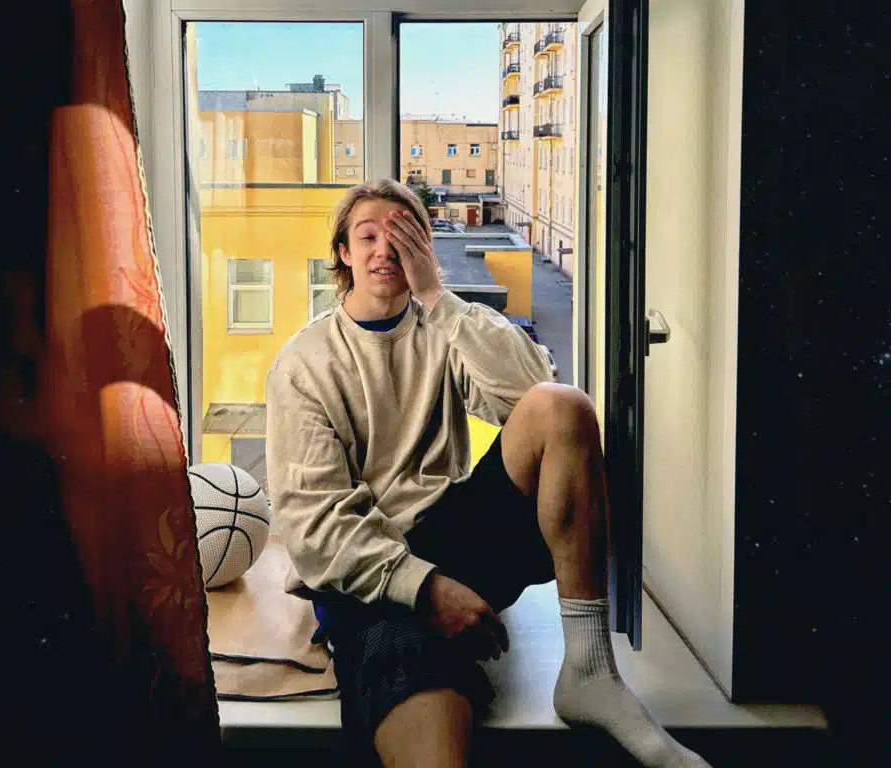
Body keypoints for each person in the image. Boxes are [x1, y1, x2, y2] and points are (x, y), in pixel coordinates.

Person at [266, 179, 710, 767]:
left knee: (562, 406)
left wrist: (438, 297)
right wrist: (425, 589)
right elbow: (314, 523)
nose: (385, 249)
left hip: (453, 536)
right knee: (431, 734)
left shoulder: (442, 328)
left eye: (403, 235)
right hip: (373, 578)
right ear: (343, 254)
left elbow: (532, 389)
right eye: (367, 236)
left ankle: (590, 668)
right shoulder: (305, 363)